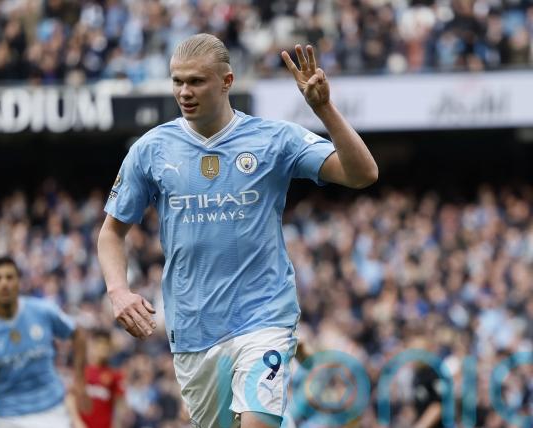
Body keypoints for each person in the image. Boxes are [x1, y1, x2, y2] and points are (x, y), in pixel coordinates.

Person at [97, 33, 378, 428]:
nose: (184, 92)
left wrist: (324, 109)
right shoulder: (151, 149)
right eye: (178, 81)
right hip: (194, 330)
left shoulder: (273, 139)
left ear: (227, 81)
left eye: (196, 81)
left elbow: (362, 174)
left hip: (264, 317)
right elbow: (111, 232)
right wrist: (118, 291)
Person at [0, 255, 88, 428]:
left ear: (18, 281)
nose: (4, 283)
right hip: (8, 416)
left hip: (52, 410)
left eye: (9, 277)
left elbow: (78, 334)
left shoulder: (43, 311)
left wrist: (79, 380)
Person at [76, 329, 125, 428]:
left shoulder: (114, 375)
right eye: (99, 344)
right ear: (92, 345)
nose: (102, 348)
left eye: (106, 345)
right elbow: (71, 399)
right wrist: (77, 422)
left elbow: (120, 405)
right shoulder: (81, 372)